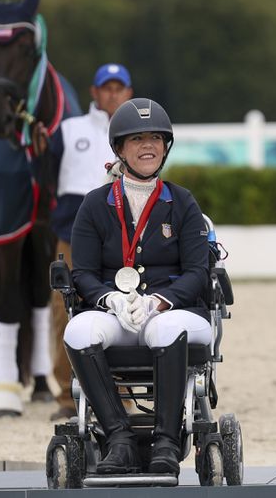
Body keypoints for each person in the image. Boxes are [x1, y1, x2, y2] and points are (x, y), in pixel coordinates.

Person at [63, 98, 211, 476]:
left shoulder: (182, 202)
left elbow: (197, 270)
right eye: (137, 139)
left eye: (156, 139)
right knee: (78, 331)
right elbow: (83, 272)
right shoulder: (95, 204)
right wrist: (108, 298)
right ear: (119, 149)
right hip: (117, 313)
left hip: (172, 313)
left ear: (165, 147)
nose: (148, 146)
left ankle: (166, 441)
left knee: (164, 327)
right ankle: (119, 439)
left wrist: (161, 301)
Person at [47, 63, 133, 421]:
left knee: (126, 310)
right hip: (70, 235)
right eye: (106, 87)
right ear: (94, 92)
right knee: (63, 311)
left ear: (128, 92)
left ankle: (124, 395)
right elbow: (48, 179)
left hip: (123, 237)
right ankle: (68, 396)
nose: (112, 94)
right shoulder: (68, 130)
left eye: (119, 87)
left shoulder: (138, 132)